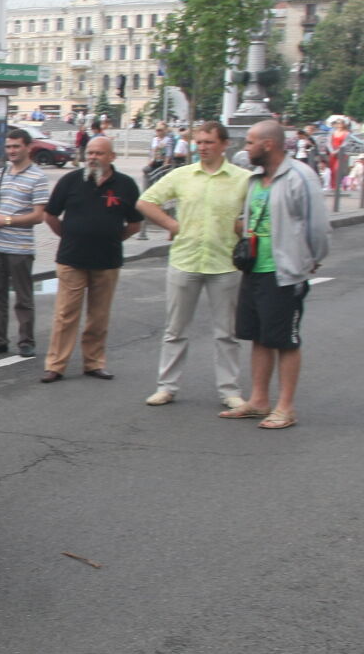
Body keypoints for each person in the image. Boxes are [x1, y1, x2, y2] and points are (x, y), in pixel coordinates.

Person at [219, 120, 330, 430]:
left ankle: (286, 407)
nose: (246, 148)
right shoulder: (256, 180)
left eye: (251, 142)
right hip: (255, 269)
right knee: (259, 336)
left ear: (268, 144)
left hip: (284, 272)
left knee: (285, 340)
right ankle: (258, 401)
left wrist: (309, 260)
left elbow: (318, 228)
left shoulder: (300, 177)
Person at [134, 122, 251, 409]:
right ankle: (166, 386)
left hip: (224, 263)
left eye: (209, 142)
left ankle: (229, 390)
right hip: (185, 260)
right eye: (199, 142)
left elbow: (255, 215)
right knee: (175, 330)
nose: (203, 147)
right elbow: (146, 201)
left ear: (224, 145)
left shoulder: (243, 179)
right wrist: (172, 224)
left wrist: (242, 228)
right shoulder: (183, 175)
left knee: (226, 333)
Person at [39, 136, 142, 382]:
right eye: (90, 153)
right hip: (72, 258)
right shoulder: (70, 181)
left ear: (112, 157)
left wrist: (112, 239)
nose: (93, 158)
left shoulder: (125, 185)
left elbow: (135, 223)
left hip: (107, 261)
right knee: (66, 314)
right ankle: (56, 365)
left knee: (99, 316)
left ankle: (94, 363)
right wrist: (70, 235)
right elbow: (51, 215)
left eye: (99, 153)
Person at [0, 129, 49, 357]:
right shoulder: (2, 173)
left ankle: (26, 341)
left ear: (28, 147)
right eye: (8, 147)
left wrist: (6, 220)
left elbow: (39, 216)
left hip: (20, 247)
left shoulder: (38, 176)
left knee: (23, 296)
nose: (11, 151)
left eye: (16, 146)